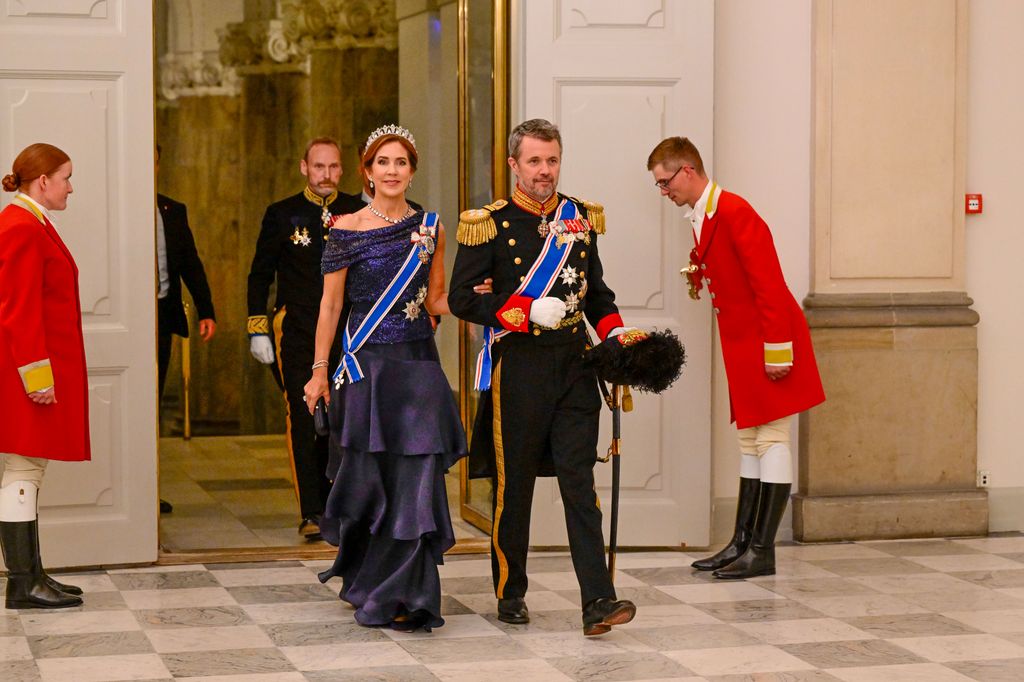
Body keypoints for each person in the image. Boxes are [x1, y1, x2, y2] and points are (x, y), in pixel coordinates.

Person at [448, 118, 637, 637]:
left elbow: (597, 294)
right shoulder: (488, 223)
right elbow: (463, 298)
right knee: (517, 487)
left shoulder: (580, 218)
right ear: (514, 164)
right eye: (534, 161)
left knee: (580, 482)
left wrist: (618, 339)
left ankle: (597, 599)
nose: (545, 171)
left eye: (552, 160)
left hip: (576, 365)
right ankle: (511, 590)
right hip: (522, 368)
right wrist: (525, 311)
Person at [303, 125, 486, 632]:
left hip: (419, 368)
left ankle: (412, 593)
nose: (391, 170)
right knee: (373, 480)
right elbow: (331, 305)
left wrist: (483, 298)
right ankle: (370, 582)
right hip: (367, 370)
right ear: (366, 171)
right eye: (382, 162)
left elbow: (436, 301)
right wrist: (319, 372)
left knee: (418, 480)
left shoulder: (431, 227)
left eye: (400, 162)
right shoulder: (345, 228)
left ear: (412, 170)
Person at [647, 136, 825, 579]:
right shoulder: (706, 214)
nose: (664, 192)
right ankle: (741, 542)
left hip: (769, 339)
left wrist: (777, 350)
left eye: (665, 183)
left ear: (688, 170)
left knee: (772, 438)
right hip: (745, 341)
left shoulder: (735, 211)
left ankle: (762, 551)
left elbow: (768, 285)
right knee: (750, 440)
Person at [247, 137, 365, 539]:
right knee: (304, 416)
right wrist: (257, 327)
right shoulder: (282, 215)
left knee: (344, 419)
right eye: (319, 167)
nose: (327, 175)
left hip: (350, 331)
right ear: (304, 167)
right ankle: (312, 510)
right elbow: (259, 274)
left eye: (333, 167)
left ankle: (342, 505)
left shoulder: (358, 211)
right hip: (297, 329)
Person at [0, 143, 89, 608]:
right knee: (22, 469)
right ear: (43, 182)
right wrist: (37, 377)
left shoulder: (31, 221)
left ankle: (33, 575)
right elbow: (18, 310)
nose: (70, 187)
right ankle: (22, 582)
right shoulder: (20, 226)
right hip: (25, 372)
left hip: (29, 370)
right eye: (66, 177)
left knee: (29, 469)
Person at [155, 144, 216, 400]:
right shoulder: (118, 212)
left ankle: (150, 440)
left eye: (154, 161)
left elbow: (191, 264)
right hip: (130, 313)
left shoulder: (172, 211)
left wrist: (206, 311)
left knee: (156, 384)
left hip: (162, 312)